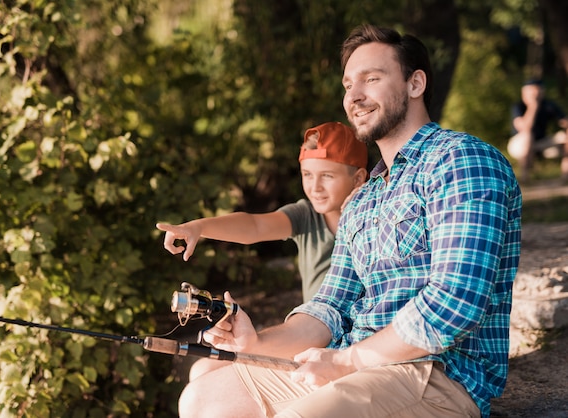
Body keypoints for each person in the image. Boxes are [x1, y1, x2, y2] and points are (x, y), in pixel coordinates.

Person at [177, 24, 522, 418]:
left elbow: (454, 304)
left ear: (415, 83)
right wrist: (256, 341)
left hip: (436, 375)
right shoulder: (363, 199)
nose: (354, 96)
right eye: (347, 85)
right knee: (203, 397)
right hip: (354, 365)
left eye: (371, 79)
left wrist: (349, 360)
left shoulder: (461, 161)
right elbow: (329, 307)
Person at [157, 121, 369, 303]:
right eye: (307, 174)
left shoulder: (376, 218)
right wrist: (199, 227)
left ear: (358, 179)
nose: (315, 187)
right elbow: (254, 226)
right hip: (315, 335)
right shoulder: (305, 215)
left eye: (327, 176)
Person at [507, 79, 568, 182]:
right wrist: (533, 106)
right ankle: (524, 177)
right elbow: (525, 128)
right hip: (519, 145)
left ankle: (565, 177)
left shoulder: (548, 105)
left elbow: (564, 121)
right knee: (528, 135)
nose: (536, 94)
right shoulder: (518, 106)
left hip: (541, 143)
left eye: (538, 90)